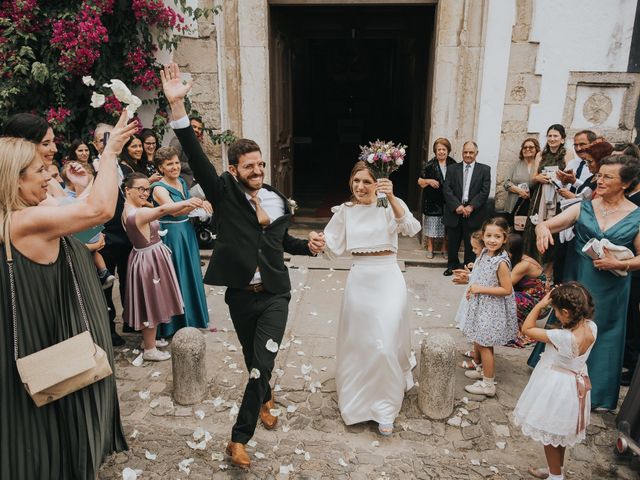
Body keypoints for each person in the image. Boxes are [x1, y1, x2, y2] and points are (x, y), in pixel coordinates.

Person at [161, 62, 324, 469]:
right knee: (255, 364)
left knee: (261, 363)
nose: (258, 171)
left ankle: (238, 439)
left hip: (275, 294)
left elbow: (283, 242)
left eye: (261, 164)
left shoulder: (277, 200)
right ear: (235, 170)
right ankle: (266, 398)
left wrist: (310, 245)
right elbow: (196, 157)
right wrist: (177, 106)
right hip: (239, 295)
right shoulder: (224, 192)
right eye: (249, 166)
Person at [0, 111, 137, 478]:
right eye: (40, 171)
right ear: (13, 180)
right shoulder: (24, 221)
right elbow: (101, 210)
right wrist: (109, 155)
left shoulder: (16, 214)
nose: (50, 175)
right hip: (45, 331)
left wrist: (80, 189)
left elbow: (81, 215)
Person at [534, 155, 640, 410]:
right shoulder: (585, 206)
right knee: (569, 325)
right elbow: (548, 224)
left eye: (607, 177)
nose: (599, 180)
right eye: (599, 175)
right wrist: (543, 230)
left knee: (604, 335)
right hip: (581, 280)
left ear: (625, 183)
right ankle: (556, 384)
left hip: (612, 288)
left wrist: (619, 264)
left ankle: (598, 394)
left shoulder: (637, 216)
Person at [323, 161, 421, 436]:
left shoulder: (387, 203)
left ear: (377, 182)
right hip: (360, 281)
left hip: (388, 278)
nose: (360, 187)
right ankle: (358, 403)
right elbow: (332, 245)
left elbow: (411, 228)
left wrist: (390, 196)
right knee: (361, 343)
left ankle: (385, 407)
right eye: (356, 181)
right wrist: (315, 240)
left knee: (385, 344)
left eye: (367, 181)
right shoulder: (345, 211)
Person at [513, 283, 597, 480]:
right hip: (574, 386)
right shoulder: (591, 326)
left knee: (549, 434)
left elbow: (527, 328)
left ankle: (555, 477)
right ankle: (555, 469)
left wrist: (541, 304)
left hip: (556, 388)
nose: (556, 315)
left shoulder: (563, 337)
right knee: (559, 433)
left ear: (566, 312)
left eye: (556, 311)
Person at [122, 172, 203, 360]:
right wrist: (187, 202)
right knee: (151, 301)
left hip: (142, 256)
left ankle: (149, 341)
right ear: (127, 190)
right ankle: (150, 350)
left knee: (148, 301)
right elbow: (161, 211)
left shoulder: (129, 207)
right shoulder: (138, 212)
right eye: (140, 189)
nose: (145, 193)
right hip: (149, 259)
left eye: (146, 189)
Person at [151, 146, 211, 337]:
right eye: (169, 164)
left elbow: (187, 208)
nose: (175, 167)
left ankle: (192, 317)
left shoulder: (181, 183)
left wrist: (203, 204)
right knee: (175, 275)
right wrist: (195, 203)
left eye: (176, 162)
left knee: (189, 273)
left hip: (186, 232)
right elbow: (173, 210)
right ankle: (174, 323)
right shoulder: (159, 188)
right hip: (171, 235)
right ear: (161, 168)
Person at [457, 217, 517, 397]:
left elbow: (506, 289)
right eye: (488, 235)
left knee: (485, 345)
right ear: (482, 236)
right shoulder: (484, 254)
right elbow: (480, 275)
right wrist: (469, 284)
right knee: (478, 339)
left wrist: (479, 289)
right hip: (481, 304)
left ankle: (488, 384)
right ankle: (482, 369)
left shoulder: (501, 262)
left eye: (497, 237)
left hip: (492, 308)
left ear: (505, 239)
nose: (492, 240)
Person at [522, 124, 574, 280]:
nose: (552, 139)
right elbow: (533, 177)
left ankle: (550, 271)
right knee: (534, 227)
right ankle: (534, 268)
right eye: (549, 136)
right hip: (541, 195)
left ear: (562, 138)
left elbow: (571, 176)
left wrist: (558, 179)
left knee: (554, 230)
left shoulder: (567, 154)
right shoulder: (540, 155)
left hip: (558, 195)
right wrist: (539, 178)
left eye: (555, 136)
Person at [60, 161, 116, 289]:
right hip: (80, 245)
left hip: (90, 236)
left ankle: (103, 273)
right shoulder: (68, 200)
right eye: (89, 184)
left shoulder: (79, 198)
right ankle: (103, 273)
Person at [442, 140, 491, 276]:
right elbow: (447, 189)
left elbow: (484, 191)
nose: (468, 155)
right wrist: (457, 206)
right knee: (453, 241)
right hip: (455, 212)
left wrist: (471, 206)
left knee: (472, 243)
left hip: (474, 213)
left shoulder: (485, 170)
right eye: (465, 152)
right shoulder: (452, 169)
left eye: (471, 152)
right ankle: (451, 265)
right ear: (462, 153)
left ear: (476, 153)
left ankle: (468, 268)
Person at [2, 113, 67, 203]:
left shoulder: (49, 180)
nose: (55, 149)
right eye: (45, 144)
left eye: (53, 141)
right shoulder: (27, 193)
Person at [506, 233, 548, 347]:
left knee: (504, 296)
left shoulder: (524, 264)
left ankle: (522, 333)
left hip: (539, 305)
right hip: (528, 298)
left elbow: (505, 285)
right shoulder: (517, 259)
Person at [418, 137, 456, 258]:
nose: (441, 152)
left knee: (447, 227)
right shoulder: (429, 165)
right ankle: (430, 248)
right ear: (435, 151)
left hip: (448, 201)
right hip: (432, 201)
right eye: (439, 149)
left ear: (448, 150)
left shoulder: (453, 164)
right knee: (432, 225)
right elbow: (420, 181)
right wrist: (429, 181)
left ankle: (444, 249)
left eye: (443, 149)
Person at [502, 138, 539, 226]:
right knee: (515, 231)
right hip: (515, 203)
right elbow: (506, 183)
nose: (527, 149)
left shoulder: (539, 165)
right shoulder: (515, 165)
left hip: (533, 204)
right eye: (525, 147)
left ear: (536, 149)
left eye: (531, 147)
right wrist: (519, 191)